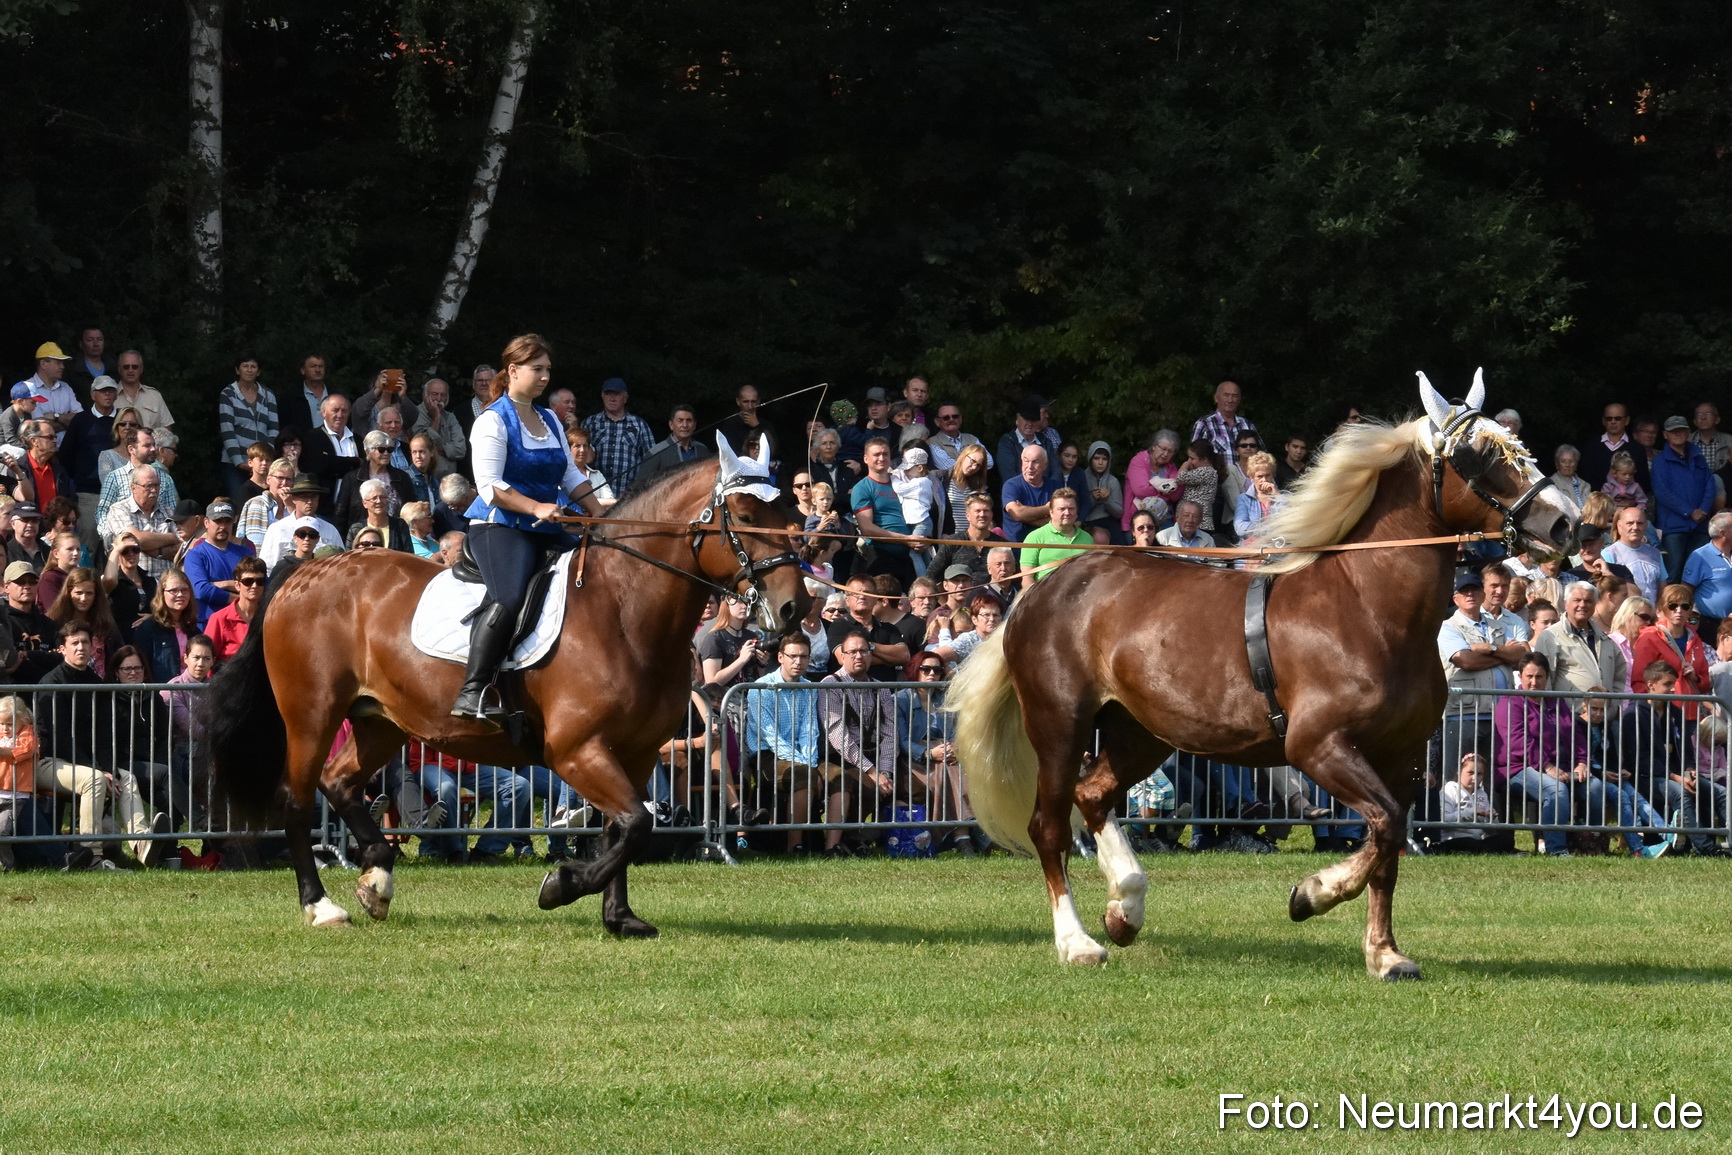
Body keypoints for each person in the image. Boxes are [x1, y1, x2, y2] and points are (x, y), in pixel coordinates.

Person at [452, 334, 600, 722]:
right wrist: (537, 506)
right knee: (509, 598)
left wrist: (597, 513)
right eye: (538, 369)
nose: (545, 377)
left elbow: (569, 473)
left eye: (548, 370)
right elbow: (490, 486)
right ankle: (472, 690)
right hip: (500, 526)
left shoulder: (550, 417)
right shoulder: (492, 420)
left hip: (547, 525)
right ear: (513, 370)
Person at [1620, 661, 1730, 857]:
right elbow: (1641, 760)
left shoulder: (1675, 712)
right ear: (1651, 685)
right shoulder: (1633, 715)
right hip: (1646, 778)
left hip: (1677, 775)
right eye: (1668, 684)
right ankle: (1706, 848)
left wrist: (1690, 770)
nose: (1673, 689)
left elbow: (1687, 751)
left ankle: (1728, 842)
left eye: (1674, 683)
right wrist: (1676, 777)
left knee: (1722, 793)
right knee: (1682, 793)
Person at [740, 635, 837, 852]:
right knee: (803, 775)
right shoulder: (761, 687)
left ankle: (834, 846)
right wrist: (804, 765)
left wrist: (809, 761)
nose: (798, 661)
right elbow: (770, 735)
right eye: (792, 656)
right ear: (781, 657)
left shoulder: (809, 687)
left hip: (802, 754)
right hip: (766, 755)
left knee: (840, 777)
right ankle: (796, 846)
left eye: (803, 656)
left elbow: (809, 730)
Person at [0, 691, 112, 869]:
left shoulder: (28, 736)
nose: (5, 728)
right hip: (5, 793)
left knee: (15, 826)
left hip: (17, 795)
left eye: (9, 724)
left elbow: (20, 752)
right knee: (15, 827)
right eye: (2, 724)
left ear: (23, 720)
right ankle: (60, 858)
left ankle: (62, 858)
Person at [816, 630, 900, 856]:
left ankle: (886, 840)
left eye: (864, 651)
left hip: (873, 758)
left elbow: (890, 733)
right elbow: (838, 737)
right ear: (841, 656)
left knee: (909, 785)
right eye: (852, 652)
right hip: (836, 757)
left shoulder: (881, 688)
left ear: (871, 655)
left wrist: (886, 772)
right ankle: (843, 842)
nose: (858, 656)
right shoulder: (830, 684)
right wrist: (873, 772)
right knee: (865, 784)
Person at [1438, 571, 1524, 786]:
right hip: (1463, 714)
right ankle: (1453, 820)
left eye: (1474, 590)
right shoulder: (1448, 627)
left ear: (1482, 593)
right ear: (1455, 598)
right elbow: (1466, 661)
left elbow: (1522, 656)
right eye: (1463, 591)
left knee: (1492, 779)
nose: (1470, 595)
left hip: (1500, 714)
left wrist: (1490, 648)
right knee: (1457, 779)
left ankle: (1493, 818)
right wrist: (1504, 655)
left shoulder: (1500, 624)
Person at [1491, 652, 1577, 857]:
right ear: (1520, 676)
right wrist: (1547, 766)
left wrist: (1582, 762)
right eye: (1529, 676)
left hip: (1557, 766)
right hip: (1515, 768)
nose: (1533, 682)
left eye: (1539, 677)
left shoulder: (1556, 701)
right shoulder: (1510, 703)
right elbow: (1518, 742)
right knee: (1556, 791)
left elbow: (1574, 733)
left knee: (1596, 788)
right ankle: (1556, 849)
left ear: (1547, 677)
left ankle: (1589, 845)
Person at [1651, 414, 1715, 583]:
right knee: (1673, 571)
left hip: (1700, 525)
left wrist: (1703, 510)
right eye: (1673, 431)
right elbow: (1662, 493)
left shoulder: (1698, 457)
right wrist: (1689, 512)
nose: (1678, 434)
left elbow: (1710, 484)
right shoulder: (1660, 461)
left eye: (1681, 430)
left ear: (1688, 433)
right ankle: (1668, 607)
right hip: (1673, 526)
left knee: (1698, 571)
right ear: (1665, 435)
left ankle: (1693, 607)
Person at [1532, 581, 1627, 695]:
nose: (1582, 605)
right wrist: (1553, 710)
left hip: (1604, 711)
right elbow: (1544, 680)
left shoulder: (1605, 640)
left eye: (1588, 601)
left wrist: (1614, 706)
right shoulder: (1550, 637)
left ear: (1595, 605)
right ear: (1566, 603)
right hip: (1568, 711)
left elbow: (1619, 678)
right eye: (1577, 600)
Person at [1631, 583, 1712, 712]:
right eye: (1673, 605)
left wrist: (1695, 677)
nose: (1679, 610)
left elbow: (1706, 681)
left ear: (1690, 610)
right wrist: (1651, 712)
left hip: (1692, 713)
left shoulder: (1695, 638)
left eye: (1685, 606)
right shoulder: (1650, 637)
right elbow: (1639, 681)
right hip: (1663, 714)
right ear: (1663, 608)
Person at [851, 437, 919, 585]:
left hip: (910, 555)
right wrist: (905, 539)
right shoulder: (862, 488)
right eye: (876, 455)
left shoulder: (901, 482)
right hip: (880, 555)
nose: (881, 458)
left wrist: (923, 536)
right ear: (866, 459)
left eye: (885, 454)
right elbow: (867, 528)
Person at [182, 501, 257, 629]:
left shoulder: (246, 553)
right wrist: (242, 599)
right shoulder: (195, 555)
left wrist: (220, 584)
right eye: (218, 521)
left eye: (227, 521)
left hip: (244, 624)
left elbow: (261, 584)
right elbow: (202, 591)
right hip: (209, 625)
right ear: (206, 522)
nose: (222, 526)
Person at [216, 353, 279, 498]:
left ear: (258, 371)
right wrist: (240, 462)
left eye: (253, 366)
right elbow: (227, 430)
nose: (249, 370)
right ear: (238, 370)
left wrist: (266, 458)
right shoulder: (228, 394)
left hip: (262, 462)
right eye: (245, 366)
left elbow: (274, 429)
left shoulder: (268, 395)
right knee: (239, 503)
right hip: (234, 463)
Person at [578, 377, 655, 495]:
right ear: (602, 396)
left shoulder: (639, 425)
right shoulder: (590, 423)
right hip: (595, 493)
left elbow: (651, 461)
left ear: (625, 397)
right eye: (608, 394)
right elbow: (577, 459)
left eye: (617, 394)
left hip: (629, 496)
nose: (612, 398)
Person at [94, 426, 178, 533]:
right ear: (131, 449)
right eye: (147, 445)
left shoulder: (165, 479)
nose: (153, 449)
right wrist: (109, 536)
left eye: (154, 445)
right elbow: (102, 511)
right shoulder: (115, 477)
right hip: (124, 541)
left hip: (159, 541)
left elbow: (172, 513)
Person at [825, 574, 909, 680]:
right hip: (849, 692)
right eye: (856, 593)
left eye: (867, 593)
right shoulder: (838, 626)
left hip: (885, 693)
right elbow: (845, 660)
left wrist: (870, 647)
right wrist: (890, 659)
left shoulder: (889, 628)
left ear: (875, 599)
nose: (861, 596)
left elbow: (904, 655)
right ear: (847, 600)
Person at [45, 565, 124, 677]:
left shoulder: (106, 622)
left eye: (89, 593)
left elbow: (119, 655)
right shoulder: (53, 622)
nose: (83, 599)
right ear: (69, 593)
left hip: (100, 688)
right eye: (78, 593)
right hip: (65, 685)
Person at [332, 430, 416, 530]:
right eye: (381, 449)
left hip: (396, 533)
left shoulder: (402, 477)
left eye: (389, 449)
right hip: (364, 535)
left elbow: (413, 509)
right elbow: (340, 515)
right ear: (368, 452)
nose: (386, 453)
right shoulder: (352, 478)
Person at [257, 475, 343, 571]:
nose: (309, 501)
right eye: (304, 497)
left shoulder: (330, 530)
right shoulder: (277, 530)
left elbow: (341, 564)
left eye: (314, 497)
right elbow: (267, 567)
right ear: (293, 499)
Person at [631, 403, 713, 495]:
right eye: (680, 420)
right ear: (671, 425)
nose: (685, 425)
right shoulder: (657, 452)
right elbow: (640, 488)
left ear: (694, 425)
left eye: (689, 420)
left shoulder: (702, 450)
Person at [1021, 487, 1091, 587]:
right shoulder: (1035, 537)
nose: (1067, 513)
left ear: (1077, 512)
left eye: (1071, 508)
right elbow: (1027, 578)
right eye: (1061, 509)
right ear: (1051, 512)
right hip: (1046, 596)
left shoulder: (1087, 539)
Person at [928, 494, 1005, 583]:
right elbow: (931, 575)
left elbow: (1015, 575)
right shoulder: (953, 542)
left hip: (992, 596)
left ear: (991, 515)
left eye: (986, 511)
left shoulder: (1000, 544)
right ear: (967, 516)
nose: (982, 515)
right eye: (977, 511)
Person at [203, 555, 268, 661]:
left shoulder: (269, 617)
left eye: (260, 581)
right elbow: (207, 658)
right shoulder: (220, 619)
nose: (255, 585)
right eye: (248, 581)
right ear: (237, 585)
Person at [1682, 511, 1732, 645]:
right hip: (1709, 625)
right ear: (1723, 533)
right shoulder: (1700, 556)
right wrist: (1691, 617)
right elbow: (1686, 590)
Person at [15, 342, 81, 443]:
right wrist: (67, 422)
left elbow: (81, 418)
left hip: (69, 449)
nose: (62, 367)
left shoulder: (66, 387)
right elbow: (38, 428)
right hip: (41, 451)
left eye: (62, 363)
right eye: (58, 363)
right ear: (43, 364)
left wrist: (56, 416)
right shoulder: (27, 388)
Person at [1578, 402, 1649, 491]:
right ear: (1603, 421)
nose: (1613, 422)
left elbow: (1643, 483)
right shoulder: (1591, 447)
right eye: (1609, 418)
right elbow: (1584, 479)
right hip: (1597, 502)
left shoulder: (1637, 449)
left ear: (1627, 420)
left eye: (1618, 418)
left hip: (1628, 503)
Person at [1121, 429, 1183, 533]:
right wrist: (1166, 493)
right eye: (1163, 449)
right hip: (1139, 518)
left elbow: (1176, 494)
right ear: (1154, 446)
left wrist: (1154, 486)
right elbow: (1141, 491)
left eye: (1170, 451)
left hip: (1165, 519)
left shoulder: (1171, 467)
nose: (1165, 454)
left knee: (1168, 548)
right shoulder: (1139, 461)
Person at [1602, 505, 1664, 604]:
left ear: (1646, 526)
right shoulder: (1608, 554)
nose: (1635, 527)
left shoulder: (1655, 553)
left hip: (1652, 615)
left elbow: (1662, 588)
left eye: (1639, 523)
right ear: (1619, 525)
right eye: (1630, 523)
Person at [112, 350, 175, 440]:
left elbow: (167, 430)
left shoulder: (154, 396)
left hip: (151, 451)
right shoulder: (110, 397)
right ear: (119, 369)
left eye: (135, 367)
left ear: (141, 369)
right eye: (126, 367)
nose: (130, 370)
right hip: (119, 452)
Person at [1001, 444, 1057, 543]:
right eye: (1026, 461)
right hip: (1017, 546)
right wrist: (1047, 508)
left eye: (1035, 462)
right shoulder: (1011, 485)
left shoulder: (1055, 487)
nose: (1030, 466)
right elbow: (1017, 514)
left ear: (1045, 465)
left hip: (1047, 545)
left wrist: (1025, 516)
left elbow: (1059, 521)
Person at [932, 591, 1005, 668]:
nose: (992, 619)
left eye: (996, 615)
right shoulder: (968, 641)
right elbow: (934, 656)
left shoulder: (1004, 640)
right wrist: (950, 673)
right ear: (974, 619)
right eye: (986, 615)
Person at [410, 377, 468, 471]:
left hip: (449, 480)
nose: (439, 398)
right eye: (434, 394)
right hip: (426, 479)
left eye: (443, 395)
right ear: (425, 396)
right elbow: (424, 446)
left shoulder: (450, 417)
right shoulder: (415, 414)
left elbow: (461, 450)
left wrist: (437, 448)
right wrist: (436, 417)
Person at [237, 458, 295, 549]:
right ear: (268, 480)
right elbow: (256, 543)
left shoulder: (295, 506)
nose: (284, 483)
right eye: (280, 478)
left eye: (288, 479)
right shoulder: (257, 503)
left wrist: (290, 505)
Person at [346, 478, 414, 553]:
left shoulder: (399, 525)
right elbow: (349, 557)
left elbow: (409, 556)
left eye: (382, 497)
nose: (379, 501)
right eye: (374, 498)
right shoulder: (356, 529)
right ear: (364, 503)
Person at [926, 401, 991, 479]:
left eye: (955, 416)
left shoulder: (972, 438)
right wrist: (976, 462)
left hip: (976, 489)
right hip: (949, 490)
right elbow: (949, 468)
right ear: (937, 422)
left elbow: (989, 462)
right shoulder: (932, 443)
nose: (951, 419)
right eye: (946, 418)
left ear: (961, 419)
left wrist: (958, 460)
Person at [1191, 380, 1256, 456]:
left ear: (1239, 400)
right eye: (1226, 395)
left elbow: (1261, 455)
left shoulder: (1247, 425)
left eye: (1234, 396)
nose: (1230, 400)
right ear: (1216, 398)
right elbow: (1194, 458)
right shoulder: (1204, 424)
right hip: (1217, 468)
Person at [1079, 441, 1122, 545]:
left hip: (1109, 521)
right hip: (1086, 522)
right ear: (1090, 459)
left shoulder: (1113, 481)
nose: (1100, 462)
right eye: (1096, 458)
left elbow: (1119, 513)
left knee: (1121, 546)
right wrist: (1092, 499)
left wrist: (1107, 500)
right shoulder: (1081, 477)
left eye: (1104, 459)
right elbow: (1076, 508)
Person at [1232, 451, 1280, 541]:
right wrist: (1270, 529)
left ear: (1273, 475)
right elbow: (1240, 527)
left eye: (1267, 475)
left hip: (1279, 548)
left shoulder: (1284, 496)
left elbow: (1289, 523)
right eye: (1259, 476)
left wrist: (1278, 497)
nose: (1264, 480)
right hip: (1252, 550)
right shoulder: (1244, 499)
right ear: (1251, 477)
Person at [1549, 444, 1591, 510]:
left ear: (1576, 464)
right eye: (1563, 461)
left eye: (1571, 461)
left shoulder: (1585, 485)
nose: (1567, 465)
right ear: (1557, 464)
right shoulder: (1551, 484)